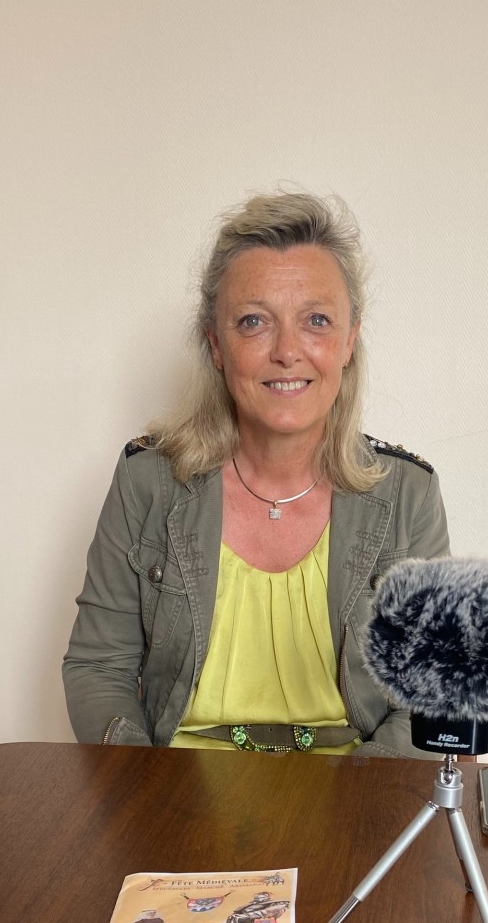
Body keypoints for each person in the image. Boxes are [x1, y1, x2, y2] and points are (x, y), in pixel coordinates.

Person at [63, 191, 450, 756]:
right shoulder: (147, 483)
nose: (287, 351)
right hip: (175, 788)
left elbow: (429, 689)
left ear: (348, 341)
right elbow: (99, 668)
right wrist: (145, 788)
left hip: (358, 788)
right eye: (254, 322)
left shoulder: (407, 494)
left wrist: (364, 796)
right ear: (216, 345)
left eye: (316, 320)